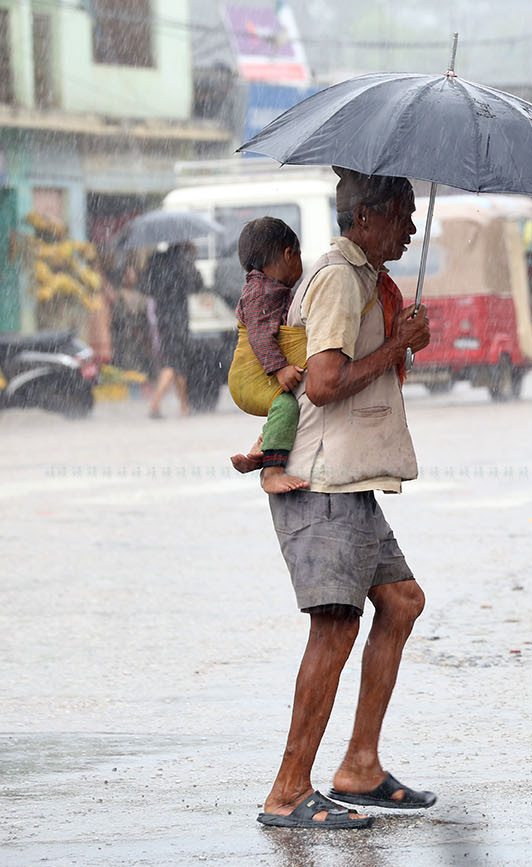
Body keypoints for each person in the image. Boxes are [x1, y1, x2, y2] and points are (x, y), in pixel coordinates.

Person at [236, 167, 434, 830]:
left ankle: (360, 766)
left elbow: (357, 367)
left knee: (401, 601)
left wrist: (400, 339)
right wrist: (397, 345)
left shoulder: (364, 279)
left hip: (350, 477)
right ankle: (288, 789)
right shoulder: (338, 278)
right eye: (402, 214)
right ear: (366, 216)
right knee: (336, 625)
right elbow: (323, 382)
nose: (410, 226)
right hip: (320, 480)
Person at [228, 217, 307, 494]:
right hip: (250, 380)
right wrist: (280, 368)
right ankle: (272, 473)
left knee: (284, 405)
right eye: (299, 255)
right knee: (286, 405)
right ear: (289, 254)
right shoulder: (261, 292)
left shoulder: (267, 287)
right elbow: (260, 335)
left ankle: (260, 452)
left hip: (258, 377)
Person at [141, 242, 202, 418]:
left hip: (162, 317)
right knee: (172, 362)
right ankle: (154, 404)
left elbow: (147, 287)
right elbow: (198, 284)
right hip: (179, 318)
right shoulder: (183, 262)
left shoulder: (155, 260)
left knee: (179, 363)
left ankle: (184, 407)